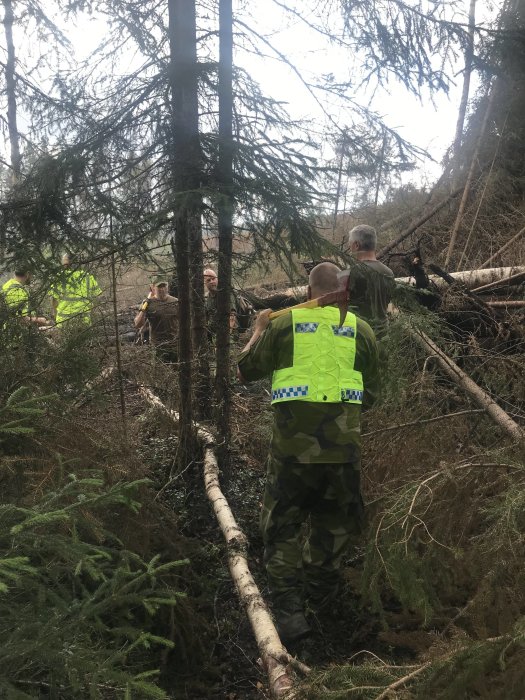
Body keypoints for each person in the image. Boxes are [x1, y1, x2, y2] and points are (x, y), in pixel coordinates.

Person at [237, 262, 379, 646]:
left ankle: (290, 612)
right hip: (344, 454)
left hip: (291, 455)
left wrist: (257, 331)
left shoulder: (285, 325)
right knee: (333, 527)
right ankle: (322, 600)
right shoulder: (361, 329)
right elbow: (373, 393)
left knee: (282, 527)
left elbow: (245, 369)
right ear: (339, 290)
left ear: (308, 291)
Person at [346, 224, 395, 332]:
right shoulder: (389, 273)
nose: (349, 248)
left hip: (359, 337)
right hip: (383, 335)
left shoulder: (350, 273)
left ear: (356, 245)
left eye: (350, 245)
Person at [49, 253, 102, 327]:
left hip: (63, 323)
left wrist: (55, 316)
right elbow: (97, 299)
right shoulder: (88, 277)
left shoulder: (59, 278)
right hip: (84, 322)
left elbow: (54, 302)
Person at [134, 281, 178, 363]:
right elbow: (138, 324)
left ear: (167, 286)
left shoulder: (175, 302)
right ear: (153, 288)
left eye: (164, 286)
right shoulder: (148, 303)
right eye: (159, 287)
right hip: (158, 347)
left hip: (175, 345)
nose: (162, 289)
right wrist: (144, 308)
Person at [204, 268, 238, 338]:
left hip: (231, 330)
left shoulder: (226, 293)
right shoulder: (207, 298)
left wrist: (225, 338)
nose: (211, 281)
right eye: (208, 280)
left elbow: (232, 317)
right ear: (205, 283)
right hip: (215, 330)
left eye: (213, 279)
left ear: (217, 279)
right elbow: (206, 318)